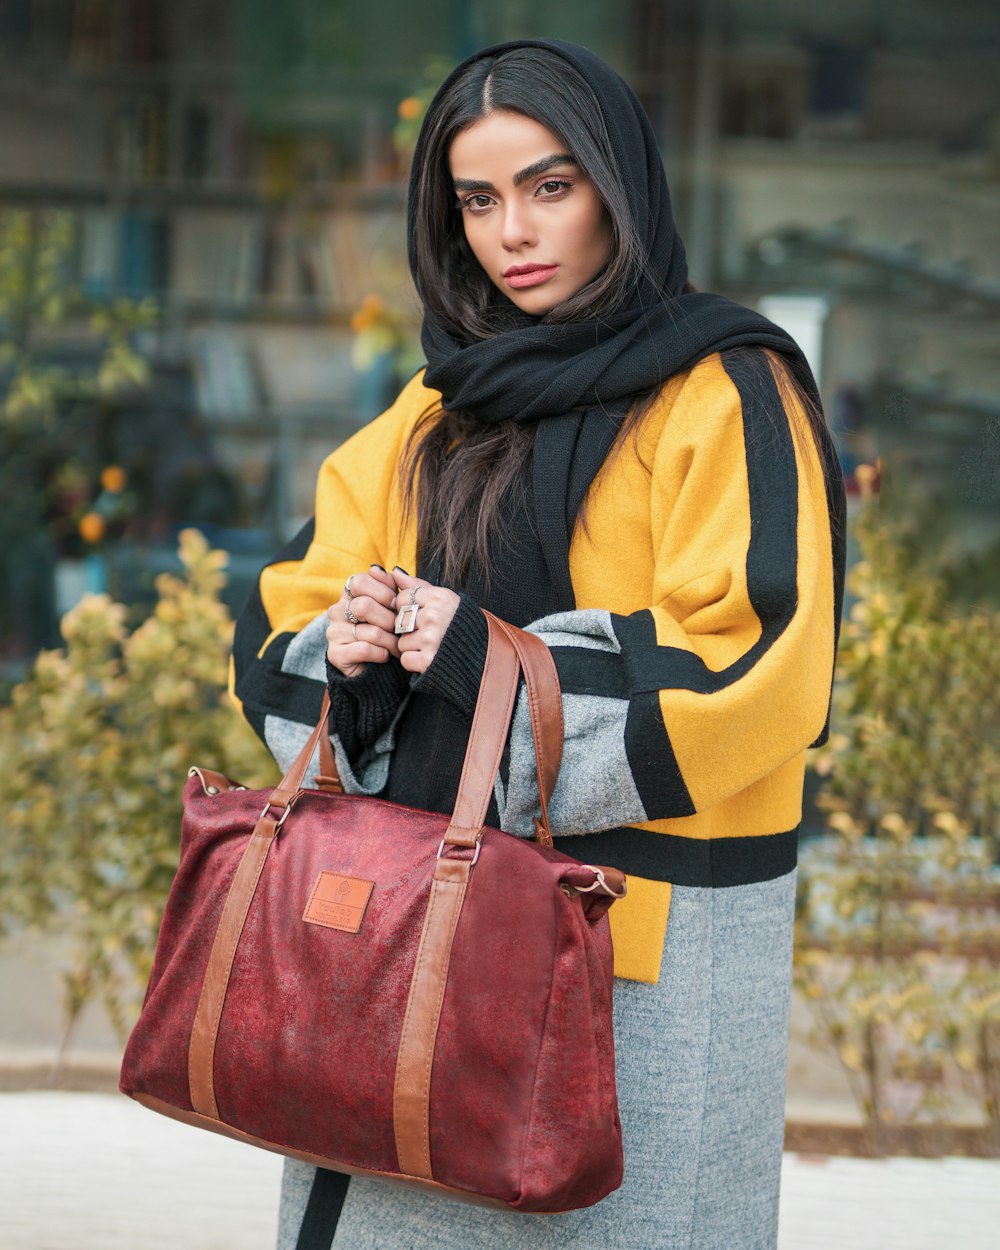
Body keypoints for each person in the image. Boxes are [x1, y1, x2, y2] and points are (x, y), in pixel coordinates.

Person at [231, 37, 845, 1250]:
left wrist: (486, 656)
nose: (513, 230)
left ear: (620, 184)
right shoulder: (430, 410)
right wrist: (345, 650)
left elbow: (760, 656)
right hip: (410, 941)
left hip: (629, 958)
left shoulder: (727, 390)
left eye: (551, 186)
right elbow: (287, 608)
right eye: (477, 198)